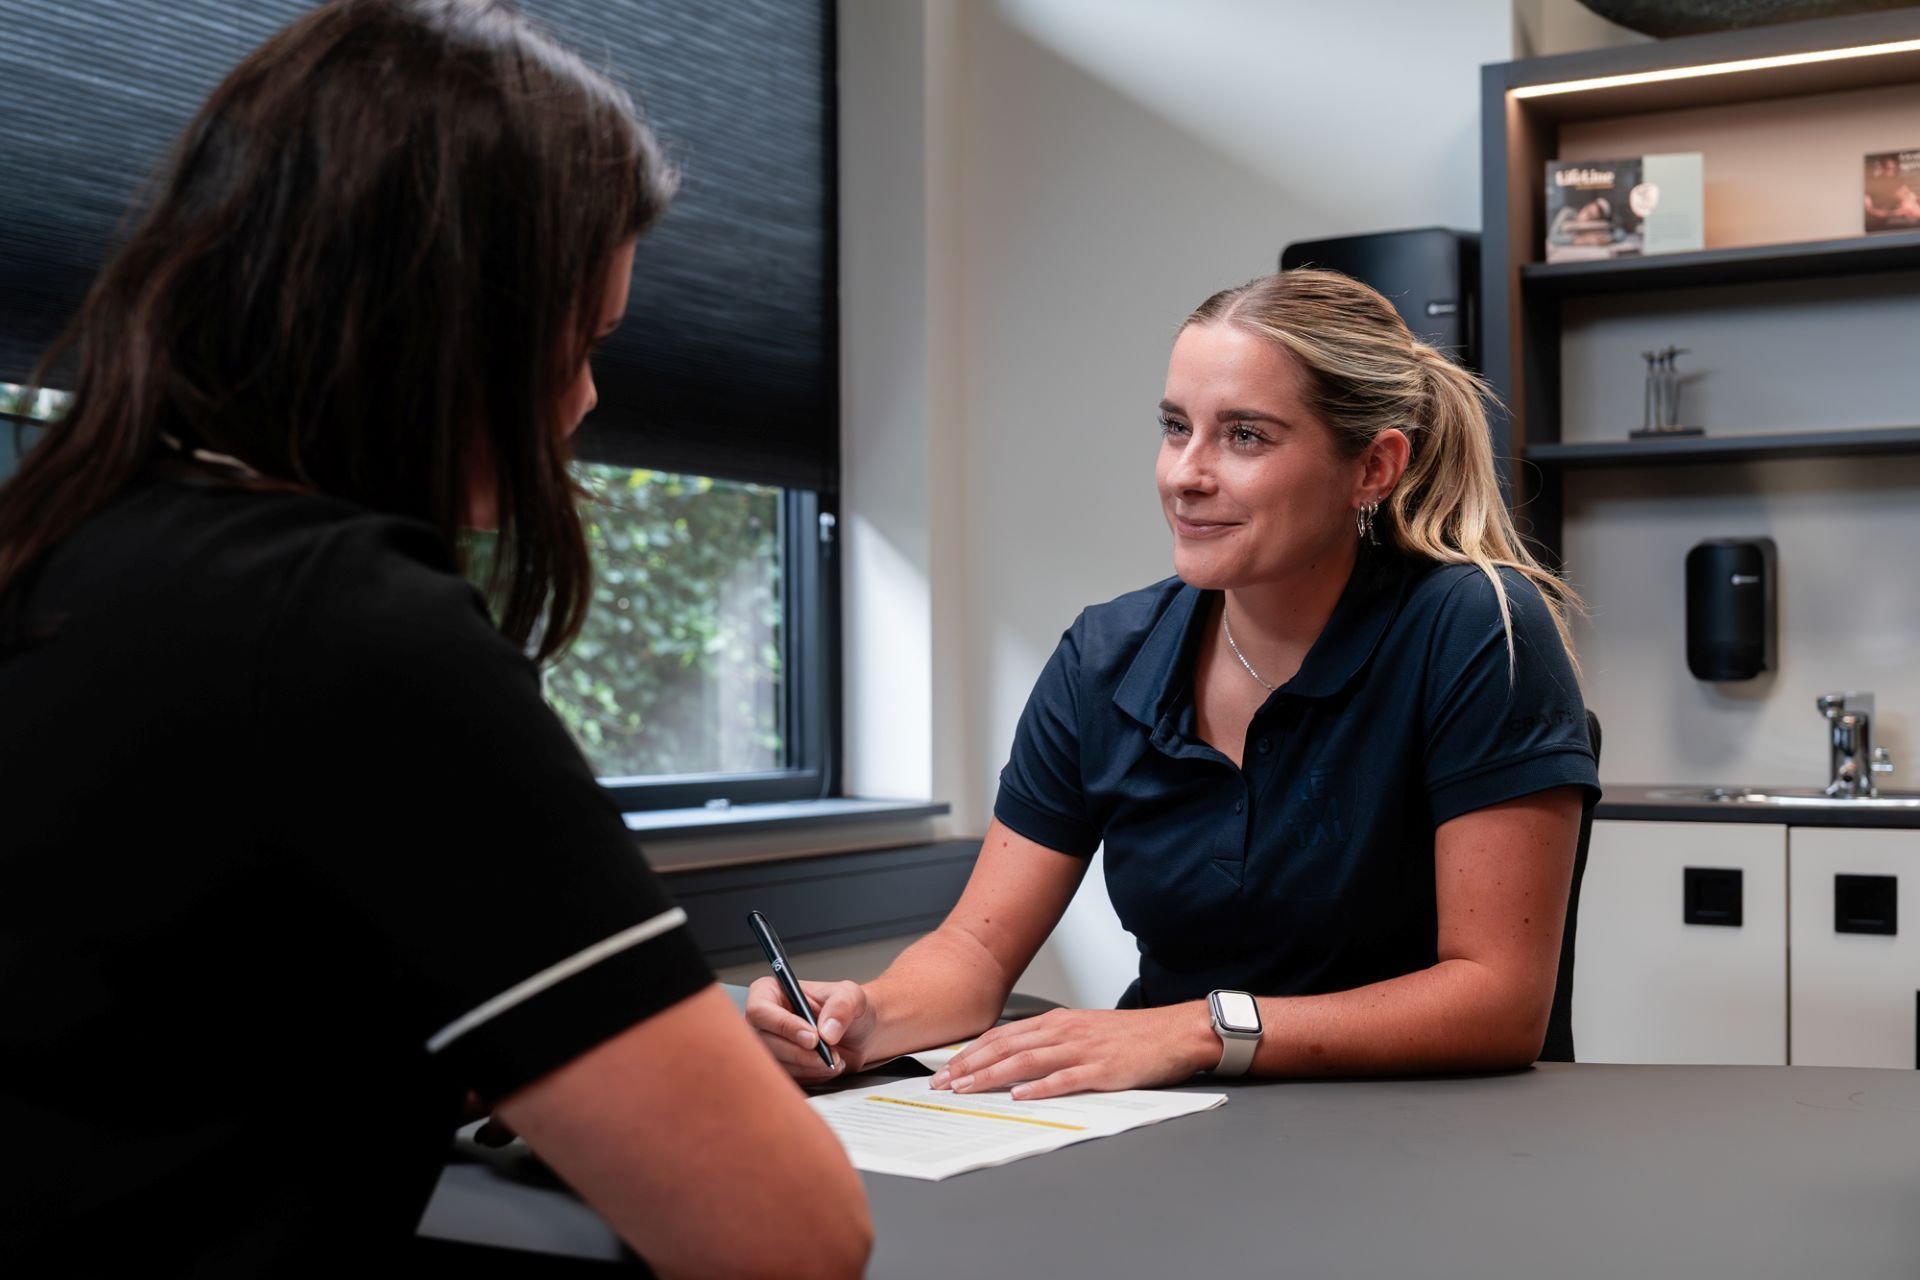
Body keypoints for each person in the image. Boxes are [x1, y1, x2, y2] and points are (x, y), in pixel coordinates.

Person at [0, 2, 869, 1275]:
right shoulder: (345, 625)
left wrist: (596, 1068)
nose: (583, 404)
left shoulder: (64, 545)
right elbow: (789, 1237)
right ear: (443, 321)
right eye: (579, 344)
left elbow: (161, 1049)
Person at [750, 268, 1599, 1100]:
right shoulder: (1104, 656)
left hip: (1421, 1138)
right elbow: (974, 950)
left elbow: (1497, 1000)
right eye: (1174, 427)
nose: (1185, 474)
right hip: (1170, 1121)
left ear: (1372, 470)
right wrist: (864, 1017)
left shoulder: (1476, 625)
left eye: (1245, 436)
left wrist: (1196, 1028)